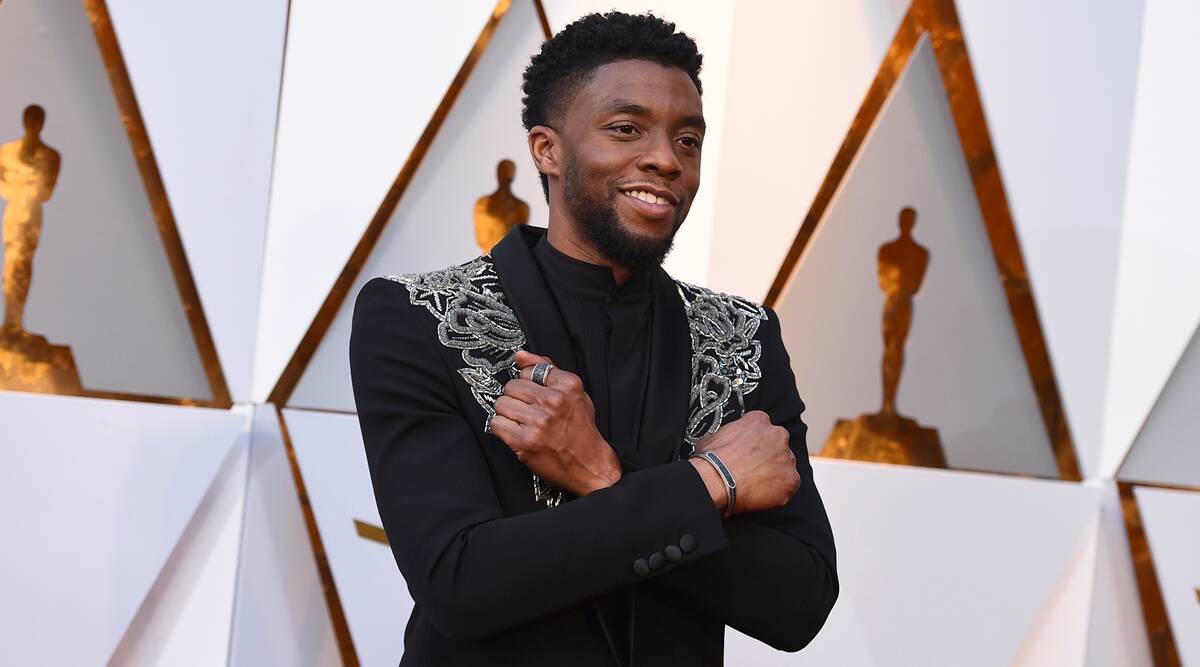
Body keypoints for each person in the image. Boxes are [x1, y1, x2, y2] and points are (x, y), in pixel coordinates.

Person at [350, 12, 837, 665]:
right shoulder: (422, 317)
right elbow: (461, 584)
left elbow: (800, 601)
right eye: (626, 128)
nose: (666, 159)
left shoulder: (742, 337)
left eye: (688, 139)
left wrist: (602, 475)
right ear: (547, 150)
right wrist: (711, 482)